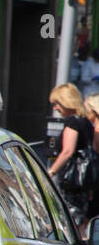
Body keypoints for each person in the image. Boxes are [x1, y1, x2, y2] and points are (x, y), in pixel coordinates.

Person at [48, 83, 94, 223]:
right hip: (83, 180)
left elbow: (67, 151)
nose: (55, 108)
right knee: (79, 221)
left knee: (71, 222)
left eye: (57, 103)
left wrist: (51, 172)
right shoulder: (85, 121)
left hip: (72, 181)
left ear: (66, 102)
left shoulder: (72, 122)